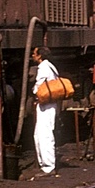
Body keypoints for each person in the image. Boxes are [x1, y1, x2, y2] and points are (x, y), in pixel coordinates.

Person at [30, 46, 61, 178]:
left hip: (46, 105)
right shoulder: (51, 66)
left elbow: (39, 86)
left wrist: (33, 91)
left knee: (44, 135)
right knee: (39, 135)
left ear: (40, 56)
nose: (32, 55)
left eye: (34, 53)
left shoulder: (43, 67)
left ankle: (48, 167)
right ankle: (45, 165)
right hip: (49, 104)